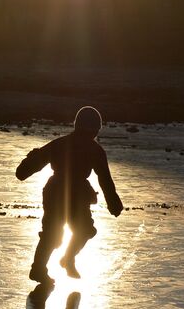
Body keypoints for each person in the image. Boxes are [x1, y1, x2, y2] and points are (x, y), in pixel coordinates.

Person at [16, 105, 124, 284]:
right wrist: (114, 204)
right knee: (63, 233)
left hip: (62, 192)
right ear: (93, 129)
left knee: (68, 232)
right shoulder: (92, 149)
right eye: (94, 130)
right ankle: (51, 265)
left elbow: (38, 159)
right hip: (66, 193)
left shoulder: (65, 144)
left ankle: (61, 261)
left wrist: (23, 170)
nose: (94, 134)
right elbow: (105, 180)